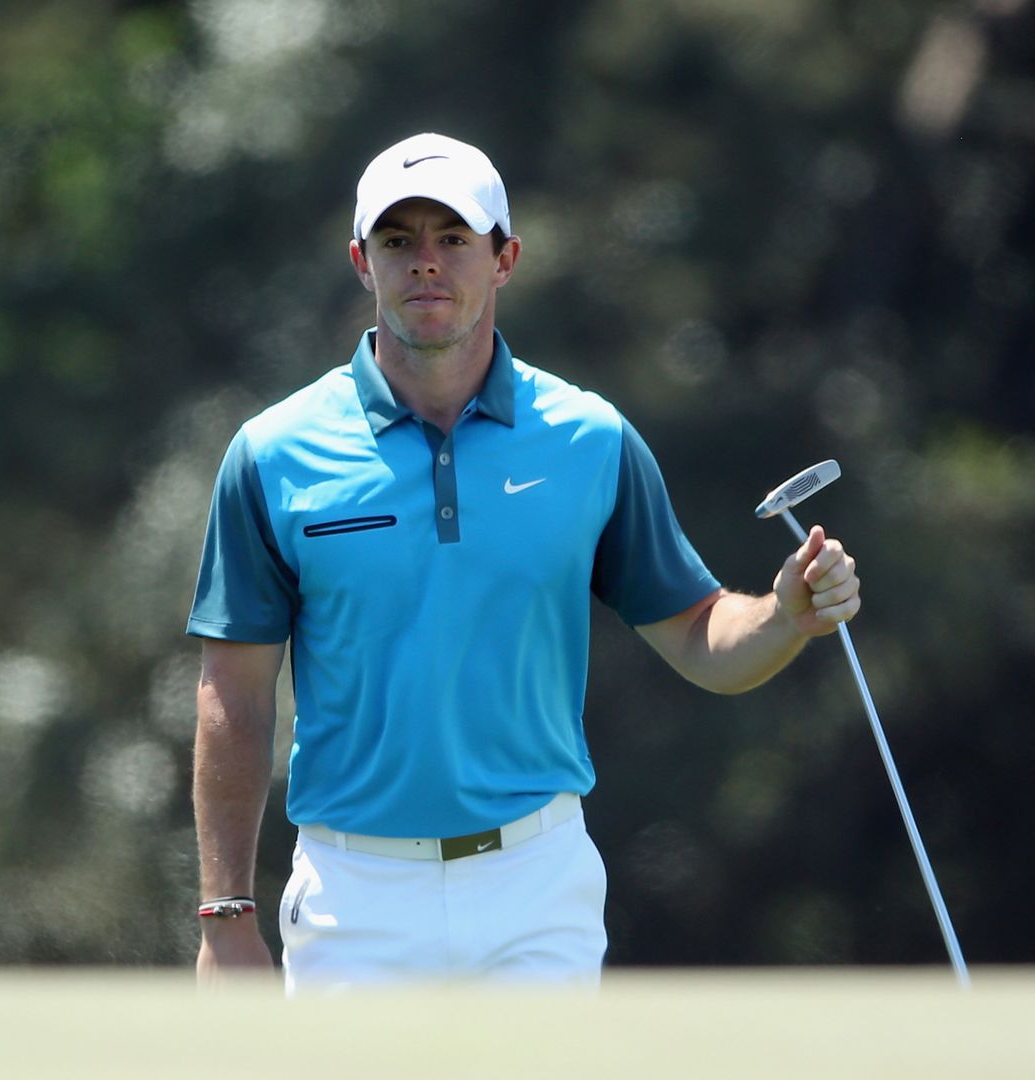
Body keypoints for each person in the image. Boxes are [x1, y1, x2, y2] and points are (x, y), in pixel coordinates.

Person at [186, 133, 862, 991]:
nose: (425, 263)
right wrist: (225, 916)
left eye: (454, 239)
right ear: (362, 262)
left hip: (535, 886)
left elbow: (699, 635)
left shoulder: (589, 439)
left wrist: (785, 615)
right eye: (398, 242)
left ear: (504, 259)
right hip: (353, 896)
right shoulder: (273, 453)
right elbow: (233, 698)